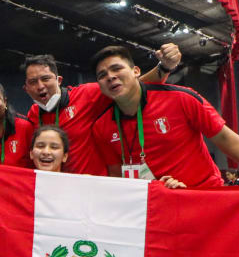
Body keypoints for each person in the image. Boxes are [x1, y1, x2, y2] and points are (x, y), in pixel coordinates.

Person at [89, 45, 239, 194]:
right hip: (155, 208)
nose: (111, 77)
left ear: (136, 71)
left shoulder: (181, 98)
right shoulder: (101, 126)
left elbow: (226, 139)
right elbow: (117, 172)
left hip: (203, 195)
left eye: (117, 69)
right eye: (102, 75)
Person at [22, 44, 181, 175]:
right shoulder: (34, 115)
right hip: (59, 192)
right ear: (26, 89)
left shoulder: (87, 94)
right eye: (33, 82)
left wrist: (165, 67)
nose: (40, 86)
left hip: (95, 191)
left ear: (59, 80)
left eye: (45, 79)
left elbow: (133, 85)